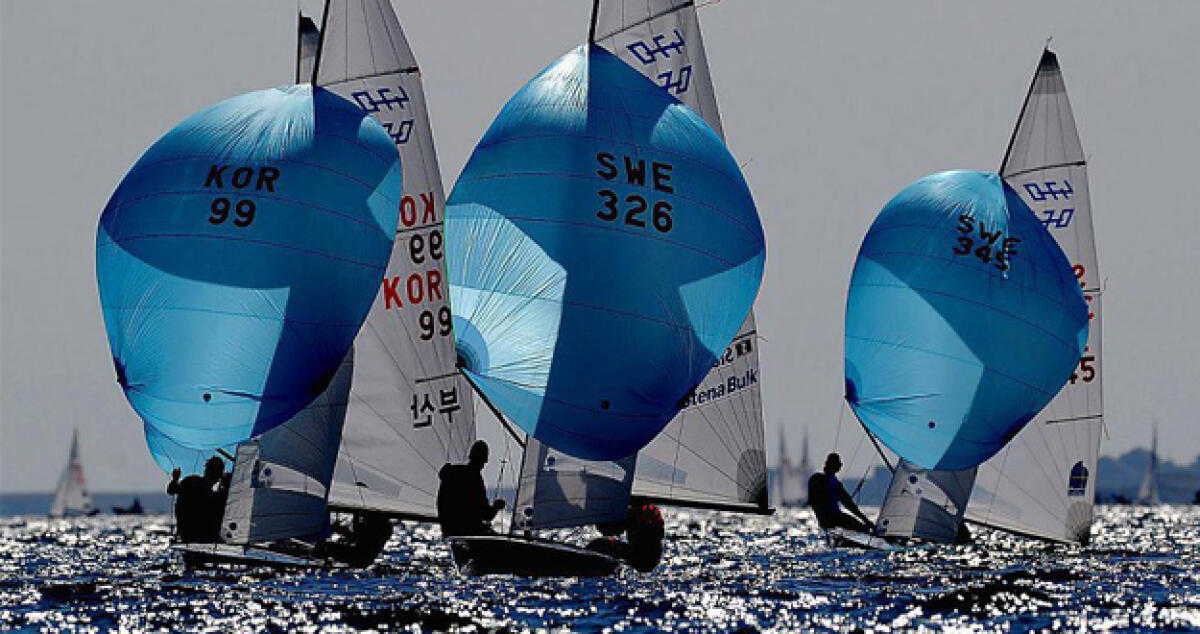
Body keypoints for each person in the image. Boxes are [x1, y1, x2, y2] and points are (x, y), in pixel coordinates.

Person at [436, 440, 506, 537]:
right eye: (485, 458)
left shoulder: (453, 472)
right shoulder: (475, 479)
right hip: (470, 531)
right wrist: (497, 506)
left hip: (449, 530)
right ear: (484, 460)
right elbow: (486, 515)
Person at [167, 456, 230, 543]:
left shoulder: (216, 494)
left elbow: (172, 490)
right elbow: (171, 490)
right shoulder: (192, 482)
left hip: (197, 536)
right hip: (194, 535)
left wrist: (175, 479)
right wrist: (175, 479)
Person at [807, 452, 873, 534]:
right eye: (839, 465)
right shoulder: (817, 479)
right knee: (863, 529)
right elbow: (848, 503)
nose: (840, 467)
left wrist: (866, 520)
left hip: (832, 518)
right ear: (835, 465)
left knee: (863, 528)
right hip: (832, 518)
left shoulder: (834, 483)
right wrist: (866, 521)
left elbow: (848, 503)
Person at [317, 512, 394, 568]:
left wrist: (340, 530)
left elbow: (356, 535)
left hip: (360, 557)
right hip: (362, 558)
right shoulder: (385, 528)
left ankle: (321, 549)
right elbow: (356, 535)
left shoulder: (377, 529)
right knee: (328, 548)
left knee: (327, 548)